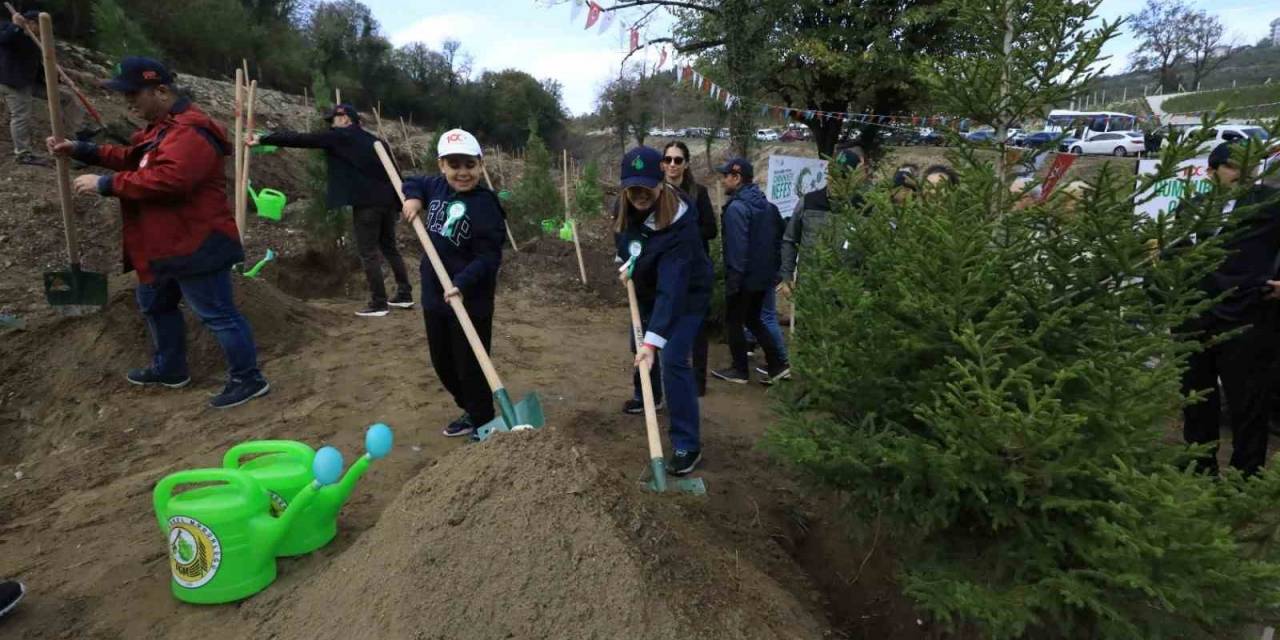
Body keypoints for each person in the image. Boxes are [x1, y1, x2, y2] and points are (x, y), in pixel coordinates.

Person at [48, 57, 268, 409]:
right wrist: (81, 149)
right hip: (164, 244)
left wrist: (106, 184)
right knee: (154, 303)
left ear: (162, 90)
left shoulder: (192, 130)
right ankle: (171, 369)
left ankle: (248, 378)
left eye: (134, 94)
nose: (128, 103)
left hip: (197, 242)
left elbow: (170, 179)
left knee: (217, 314)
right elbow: (134, 158)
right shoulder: (162, 129)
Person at [252, 104, 413, 317]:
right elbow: (394, 171)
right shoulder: (376, 141)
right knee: (389, 248)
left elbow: (303, 140)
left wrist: (264, 138)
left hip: (366, 204)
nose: (331, 124)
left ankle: (378, 302)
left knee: (368, 252)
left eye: (334, 120)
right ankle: (404, 294)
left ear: (346, 119)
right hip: (388, 203)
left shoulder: (341, 137)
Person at [1179, 141, 1280, 476]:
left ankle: (1245, 477)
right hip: (1194, 317)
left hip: (1249, 314)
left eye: (1250, 165)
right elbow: (1176, 253)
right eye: (1234, 165)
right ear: (1211, 172)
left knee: (1248, 403)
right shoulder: (1191, 207)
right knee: (1197, 398)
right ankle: (1199, 467)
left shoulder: (1270, 202)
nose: (1245, 172)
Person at [400, 129, 505, 438]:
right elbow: (413, 181)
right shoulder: (434, 185)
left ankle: (484, 419)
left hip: (470, 299)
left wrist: (461, 282)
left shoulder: (486, 205)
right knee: (442, 363)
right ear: (441, 166)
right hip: (434, 296)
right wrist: (414, 198)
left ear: (480, 165)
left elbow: (489, 257)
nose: (462, 173)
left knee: (471, 366)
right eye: (454, 165)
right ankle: (470, 410)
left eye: (469, 165)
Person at [616, 146, 713, 475]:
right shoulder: (627, 205)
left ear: (661, 179)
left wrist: (652, 342)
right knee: (639, 347)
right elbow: (626, 241)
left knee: (670, 357)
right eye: (633, 189)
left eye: (647, 187)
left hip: (687, 295)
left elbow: (673, 288)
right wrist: (628, 262)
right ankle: (652, 396)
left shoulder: (680, 223)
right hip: (649, 290)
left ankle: (687, 443)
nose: (641, 195)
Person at [712, 157, 790, 385]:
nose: (723, 180)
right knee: (754, 320)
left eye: (725, 176)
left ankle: (739, 370)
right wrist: (775, 272)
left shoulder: (737, 208)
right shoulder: (767, 206)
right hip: (763, 278)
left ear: (736, 178)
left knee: (734, 321)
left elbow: (737, 247)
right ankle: (777, 365)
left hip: (744, 277)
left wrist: (734, 281)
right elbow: (780, 238)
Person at [663, 140, 717, 397]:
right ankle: (670, 377)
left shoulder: (699, 193)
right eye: (668, 159)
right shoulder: (655, 191)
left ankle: (697, 382)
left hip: (694, 269)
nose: (672, 165)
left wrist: (684, 231)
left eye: (677, 160)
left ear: (686, 164)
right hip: (665, 269)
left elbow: (711, 230)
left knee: (695, 326)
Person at [1, 10, 88, 166]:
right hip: (12, 82)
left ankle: (76, 134)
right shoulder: (10, 30)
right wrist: (16, 26)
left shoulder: (36, 39)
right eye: (40, 26)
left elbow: (39, 64)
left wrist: (58, 78)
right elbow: (5, 40)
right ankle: (22, 153)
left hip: (31, 81)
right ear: (33, 24)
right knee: (21, 114)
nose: (44, 31)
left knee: (65, 97)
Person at [778, 148, 865, 293]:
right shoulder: (808, 202)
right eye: (833, 175)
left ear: (853, 178)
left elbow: (869, 251)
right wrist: (787, 277)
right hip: (810, 290)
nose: (836, 180)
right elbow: (790, 240)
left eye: (843, 176)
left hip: (847, 294)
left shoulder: (863, 209)